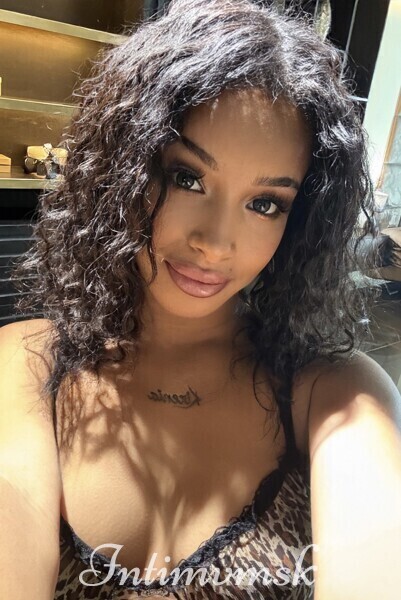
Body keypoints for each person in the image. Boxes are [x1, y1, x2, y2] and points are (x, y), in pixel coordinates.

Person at [1, 0, 401, 598]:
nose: (215, 243)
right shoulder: (28, 366)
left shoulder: (337, 396)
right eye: (187, 178)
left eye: (265, 203)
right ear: (121, 171)